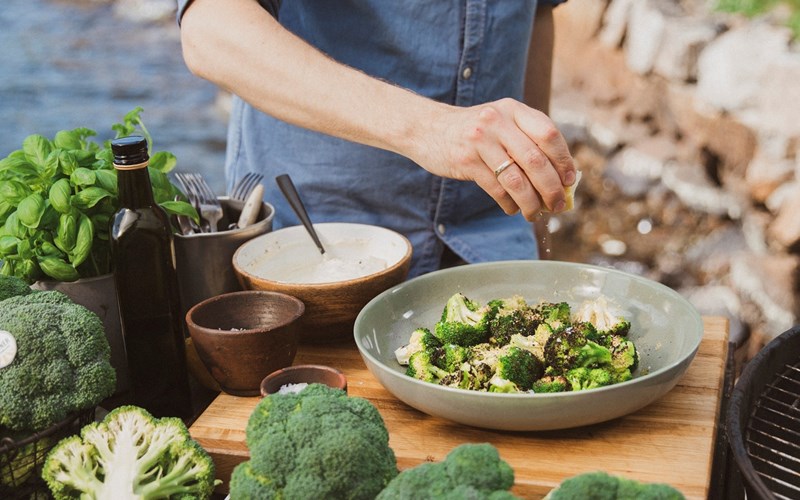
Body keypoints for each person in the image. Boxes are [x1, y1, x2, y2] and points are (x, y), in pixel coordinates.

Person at [176, 0, 576, 278]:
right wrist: (432, 129)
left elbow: (536, 17)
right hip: (316, 247)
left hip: (493, 240)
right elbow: (210, 30)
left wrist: (535, 207)